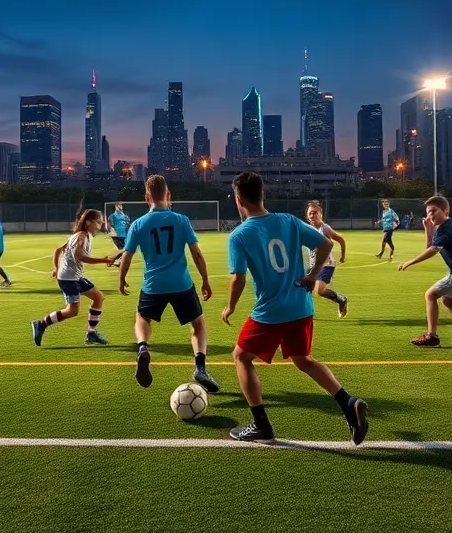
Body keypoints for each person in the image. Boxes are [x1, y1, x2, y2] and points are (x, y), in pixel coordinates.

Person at [221, 172, 368, 444]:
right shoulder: (287, 220)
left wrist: (229, 307)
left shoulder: (239, 235)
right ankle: (348, 403)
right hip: (301, 306)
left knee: (241, 357)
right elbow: (325, 244)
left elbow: (238, 279)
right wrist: (313, 275)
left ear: (238, 200)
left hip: (271, 311)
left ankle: (261, 425)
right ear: (263, 195)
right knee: (304, 361)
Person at [118, 175, 220, 392]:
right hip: (181, 284)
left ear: (146, 198)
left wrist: (122, 278)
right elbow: (197, 254)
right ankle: (200, 367)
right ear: (169, 195)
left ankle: (143, 347)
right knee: (198, 324)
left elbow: (126, 255)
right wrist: (205, 280)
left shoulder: (138, 224)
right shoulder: (181, 220)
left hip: (153, 285)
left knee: (142, 317)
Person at [398, 196, 452, 346]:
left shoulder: (445, 229)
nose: (430, 216)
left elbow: (433, 250)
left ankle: (432, 336)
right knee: (448, 300)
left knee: (430, 295)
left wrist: (410, 262)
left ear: (445, 210)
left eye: (433, 211)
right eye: (428, 213)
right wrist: (427, 228)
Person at [31, 209, 113, 346]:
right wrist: (105, 261)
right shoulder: (81, 236)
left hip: (75, 277)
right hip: (68, 279)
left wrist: (57, 268)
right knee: (72, 310)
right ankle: (41, 324)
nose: (100, 226)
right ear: (88, 222)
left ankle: (91, 333)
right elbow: (81, 257)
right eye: (98, 222)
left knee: (98, 297)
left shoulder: (79, 235)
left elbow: (58, 250)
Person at [304, 201, 349, 318]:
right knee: (306, 289)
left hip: (326, 265)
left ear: (321, 214)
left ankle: (341, 300)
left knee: (319, 290)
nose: (312, 215)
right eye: (310, 213)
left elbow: (341, 240)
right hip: (313, 266)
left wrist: (343, 256)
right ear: (307, 216)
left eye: (315, 213)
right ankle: (305, 314)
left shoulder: (325, 228)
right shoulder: (306, 229)